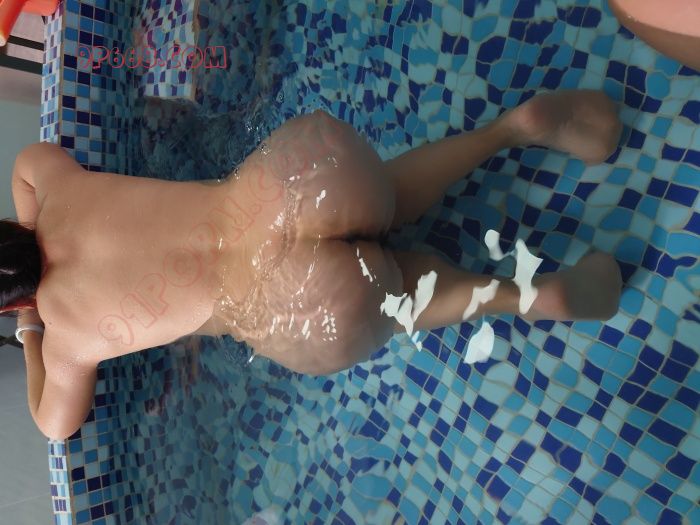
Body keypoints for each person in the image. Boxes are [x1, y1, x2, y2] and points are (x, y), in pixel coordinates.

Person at [2, 89, 622, 440]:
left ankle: (526, 296)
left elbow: (54, 424)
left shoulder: (67, 339)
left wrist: (32, 329)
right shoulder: (50, 186)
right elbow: (25, 171)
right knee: (390, 192)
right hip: (294, 181)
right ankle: (508, 131)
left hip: (290, 302)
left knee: (407, 294)